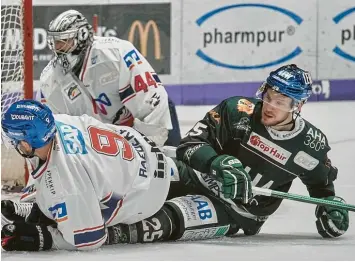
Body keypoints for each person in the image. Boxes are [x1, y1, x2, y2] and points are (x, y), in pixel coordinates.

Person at [0, 100, 233, 251]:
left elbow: (88, 240)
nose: (9, 142)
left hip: (147, 194)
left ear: (27, 141)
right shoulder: (57, 121)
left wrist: (43, 237)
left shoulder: (67, 180)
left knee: (221, 215)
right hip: (146, 152)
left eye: (12, 138)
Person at [175, 64, 350, 238]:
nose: (269, 107)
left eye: (279, 102)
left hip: (237, 211)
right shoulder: (238, 111)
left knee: (165, 220)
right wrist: (215, 162)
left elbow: (322, 189)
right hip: (196, 176)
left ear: (297, 106)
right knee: (153, 172)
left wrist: (331, 209)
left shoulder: (312, 144)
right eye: (268, 97)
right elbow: (189, 144)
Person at [40, 9, 181, 147]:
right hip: (107, 139)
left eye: (64, 41)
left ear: (81, 36)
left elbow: (151, 98)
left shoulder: (116, 53)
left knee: (174, 164)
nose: (58, 48)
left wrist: (151, 146)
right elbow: (55, 128)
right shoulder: (50, 80)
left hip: (148, 120)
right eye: (55, 42)